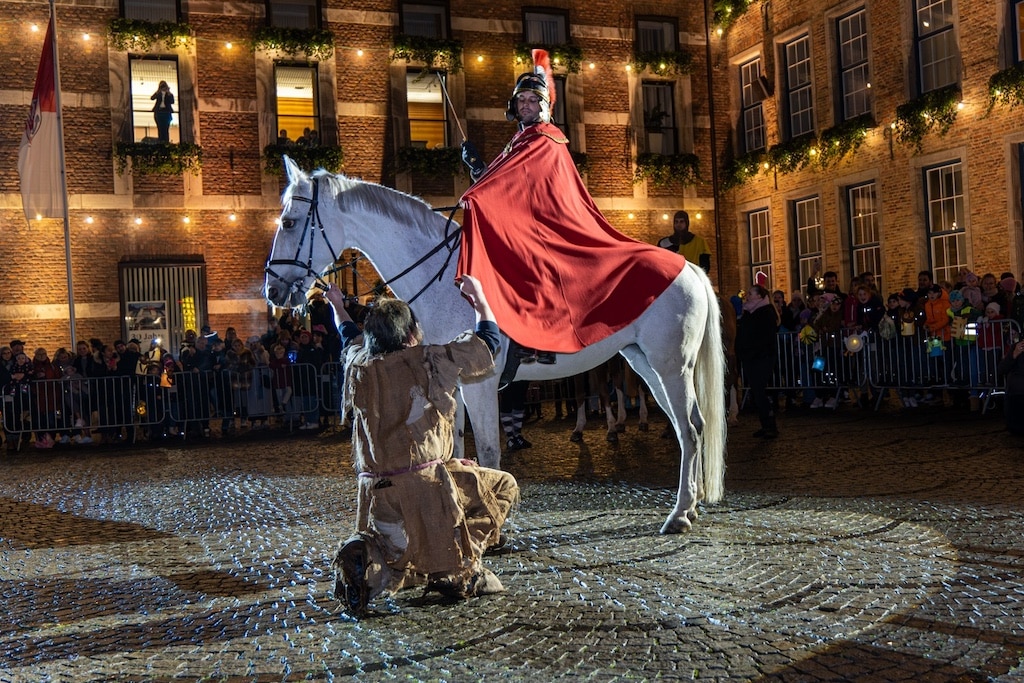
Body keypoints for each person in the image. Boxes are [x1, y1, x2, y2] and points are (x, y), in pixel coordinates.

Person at [457, 49, 686, 384]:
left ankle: (531, 343)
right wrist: (478, 169)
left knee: (532, 263)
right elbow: (504, 185)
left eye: (532, 100)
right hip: (531, 220)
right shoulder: (521, 139)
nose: (525, 105)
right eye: (520, 101)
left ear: (543, 106)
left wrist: (478, 181)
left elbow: (512, 188)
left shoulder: (544, 139)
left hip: (551, 224)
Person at [324, 276, 519, 617]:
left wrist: (337, 306)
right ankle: (459, 568)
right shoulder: (429, 360)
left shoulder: (359, 363)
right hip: (425, 485)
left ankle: (366, 553)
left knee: (395, 555)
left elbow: (346, 336)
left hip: (376, 491)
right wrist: (481, 299)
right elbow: (487, 343)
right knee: (503, 485)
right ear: (411, 334)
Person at [735, 285, 779, 438]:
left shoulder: (766, 312)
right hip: (750, 357)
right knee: (756, 391)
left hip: (762, 356)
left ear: (759, 296)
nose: (747, 295)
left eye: (751, 293)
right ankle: (765, 424)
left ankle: (770, 425)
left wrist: (752, 351)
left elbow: (765, 337)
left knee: (760, 390)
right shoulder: (748, 312)